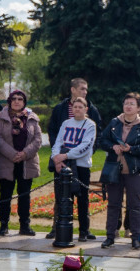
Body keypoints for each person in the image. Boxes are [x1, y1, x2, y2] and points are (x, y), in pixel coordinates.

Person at [99, 92, 140, 249]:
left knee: (135, 205)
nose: (128, 106)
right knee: (113, 204)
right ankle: (110, 236)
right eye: (126, 103)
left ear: (138, 108)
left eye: (132, 104)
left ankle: (135, 237)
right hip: (114, 170)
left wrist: (132, 149)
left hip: (135, 171)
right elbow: (102, 140)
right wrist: (113, 146)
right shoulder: (115, 122)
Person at [50, 97, 99, 242]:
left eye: (80, 107)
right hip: (64, 165)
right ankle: (64, 230)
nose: (77, 109)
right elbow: (58, 142)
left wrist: (65, 155)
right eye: (75, 107)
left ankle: (84, 230)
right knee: (64, 199)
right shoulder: (66, 123)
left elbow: (86, 146)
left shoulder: (90, 125)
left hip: (81, 166)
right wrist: (56, 159)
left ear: (86, 109)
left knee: (82, 200)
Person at [0, 90, 43, 236]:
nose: (17, 101)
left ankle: (25, 225)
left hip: (26, 162)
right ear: (9, 101)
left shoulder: (32, 118)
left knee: (24, 195)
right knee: (5, 194)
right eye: (14, 99)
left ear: (24, 102)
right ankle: (3, 225)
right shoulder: (1, 117)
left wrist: (24, 154)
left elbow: (37, 139)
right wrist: (12, 154)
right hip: (6, 161)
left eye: (20, 99)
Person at [48, 78, 103, 145]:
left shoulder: (91, 110)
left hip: (84, 150)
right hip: (62, 149)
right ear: (73, 90)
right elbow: (52, 130)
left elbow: (98, 133)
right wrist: (56, 147)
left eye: (86, 89)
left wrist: (91, 148)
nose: (85, 92)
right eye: (82, 89)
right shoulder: (60, 108)